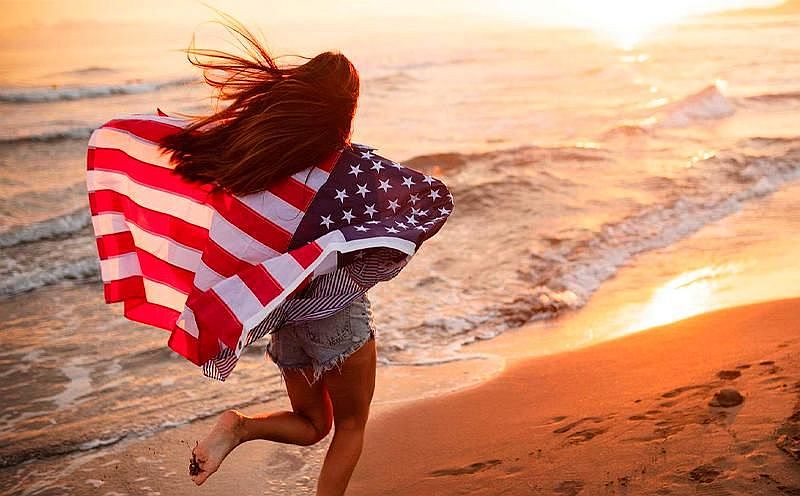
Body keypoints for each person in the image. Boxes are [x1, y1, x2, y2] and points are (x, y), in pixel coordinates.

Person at [153, 12, 388, 496]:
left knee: (311, 424)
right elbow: (398, 210)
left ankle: (239, 425)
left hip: (283, 317)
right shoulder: (349, 167)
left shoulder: (261, 164)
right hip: (335, 313)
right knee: (349, 427)